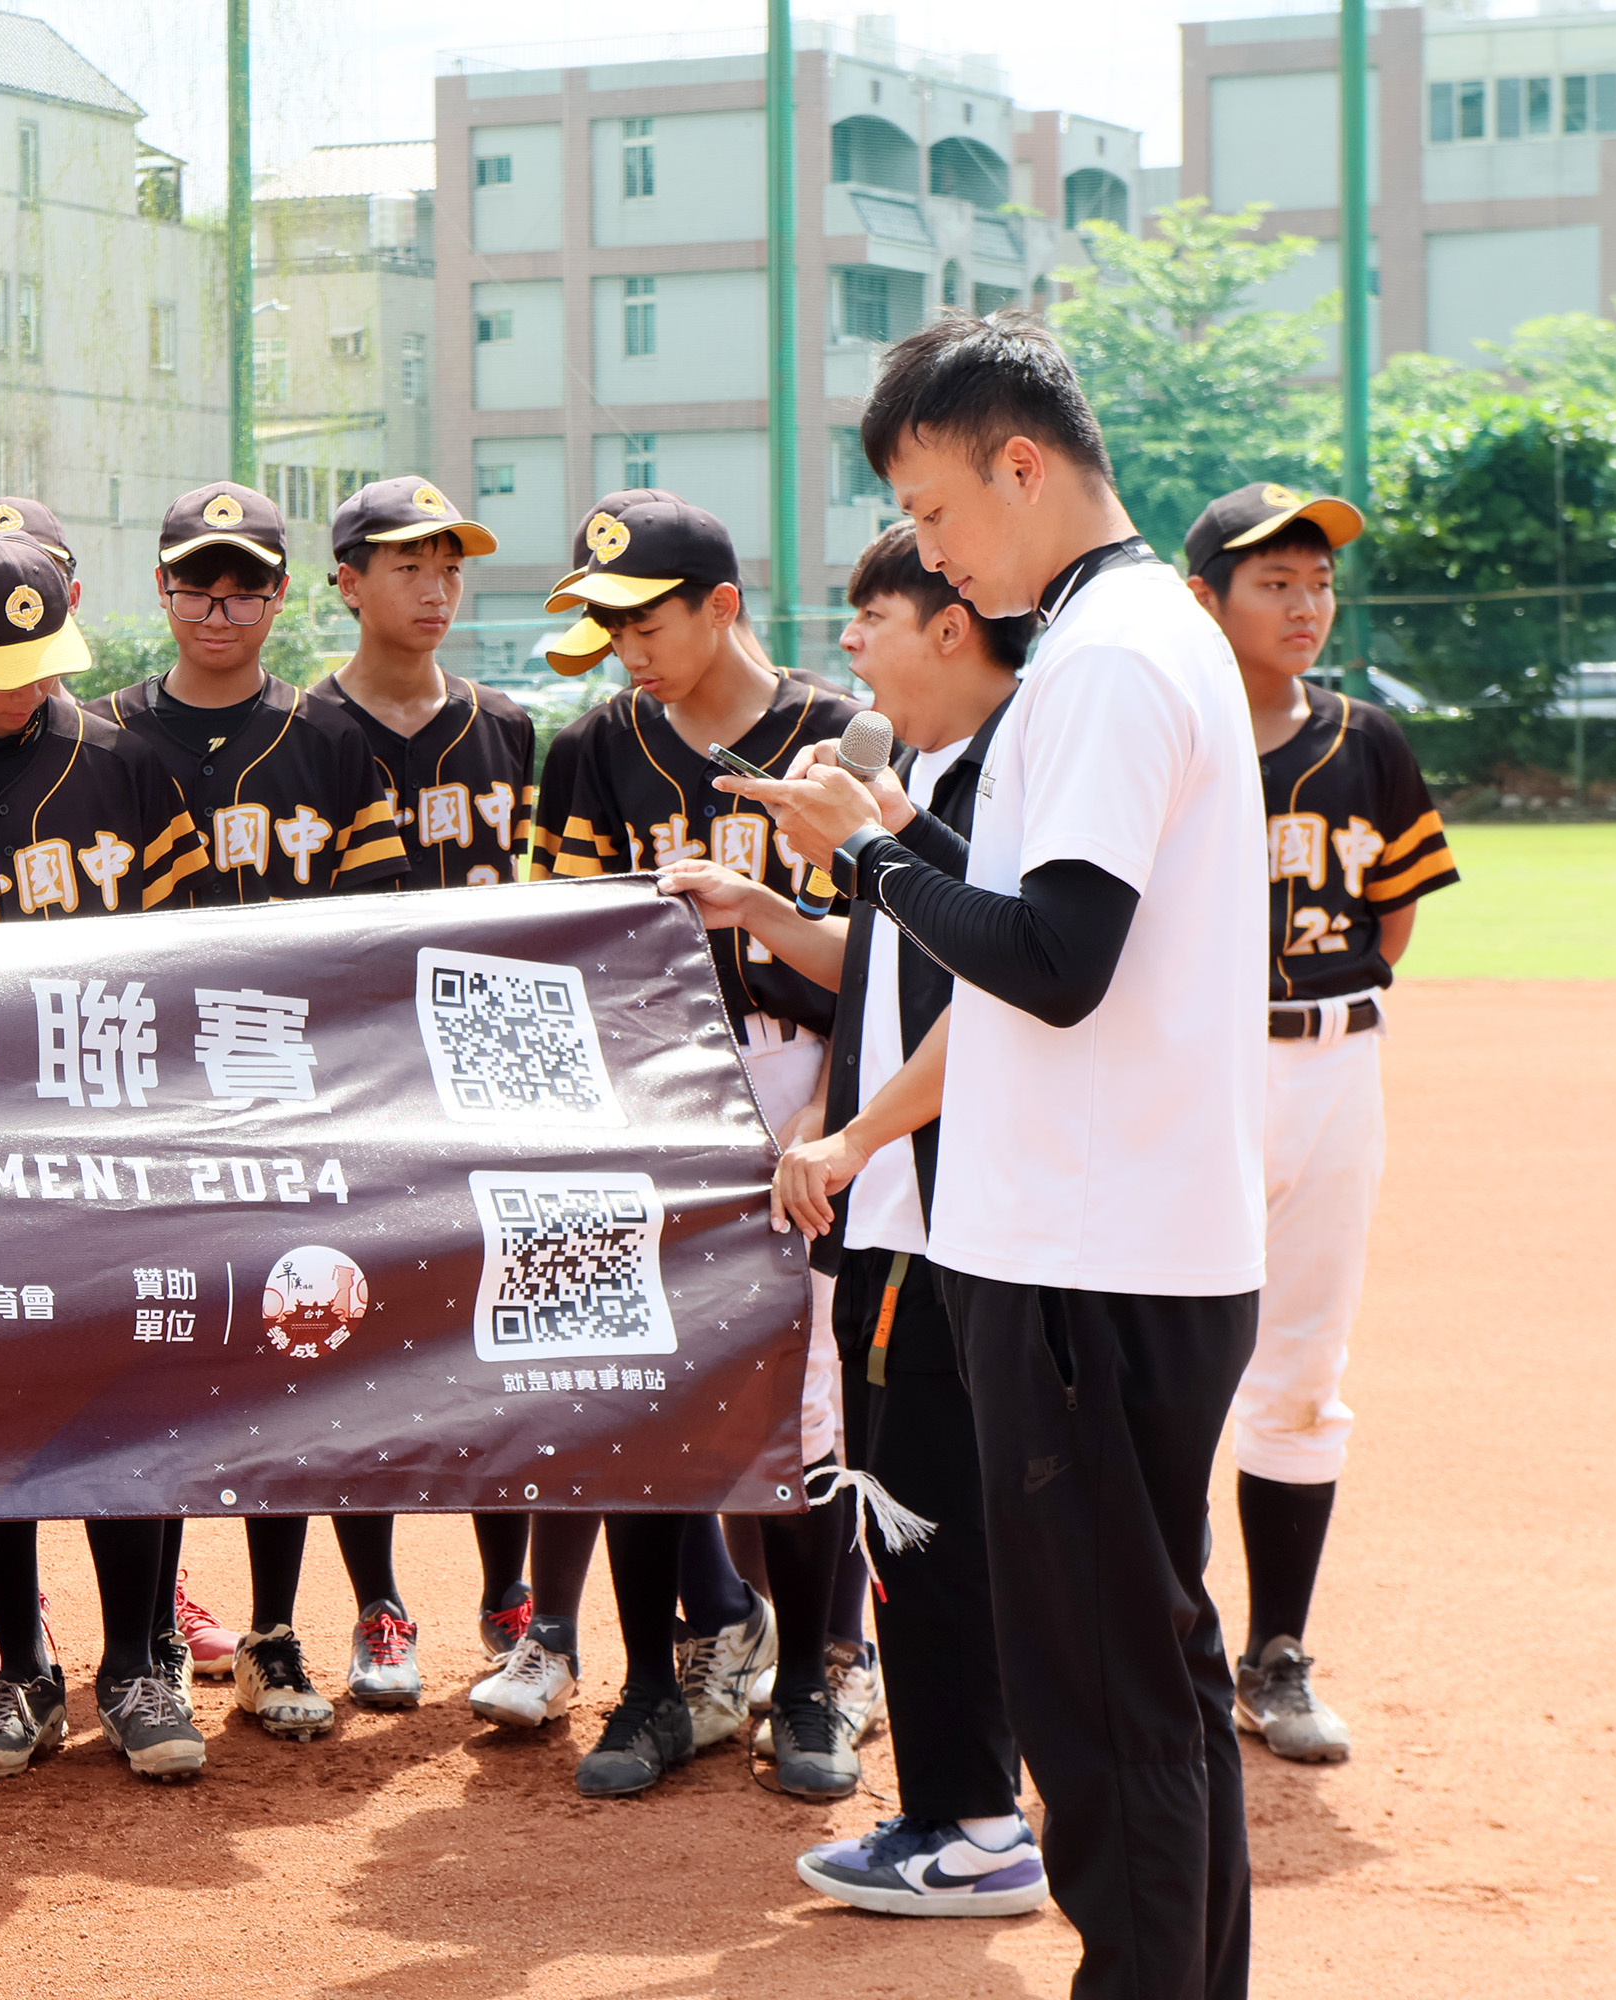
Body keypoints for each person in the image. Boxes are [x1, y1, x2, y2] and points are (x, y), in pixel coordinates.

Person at [730, 312, 1267, 2000]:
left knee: (1104, 1704)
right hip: (1125, 1241)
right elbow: (1060, 913)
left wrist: (874, 856)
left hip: (1088, 1258)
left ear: (1020, 466)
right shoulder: (1136, 635)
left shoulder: (1102, 657)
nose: (933, 552)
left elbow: (1055, 957)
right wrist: (901, 837)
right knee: (1152, 1683)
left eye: (934, 509)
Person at [673, 522, 1049, 1913]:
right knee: (908, 1520)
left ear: (950, 624)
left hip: (945, 1215)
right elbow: (894, 960)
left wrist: (852, 1134)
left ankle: (977, 1822)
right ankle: (950, 1810)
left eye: (868, 616)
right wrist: (763, 908)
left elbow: (998, 1000)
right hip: (900, 1210)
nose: (845, 644)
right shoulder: (935, 775)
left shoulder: (1003, 779)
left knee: (937, 1529)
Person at [0, 521, 212, 1782]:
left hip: (113, 1140)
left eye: (44, 655)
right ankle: (22, 1666)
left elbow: (192, 963)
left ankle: (135, 1660)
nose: (27, 684)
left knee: (132, 1392)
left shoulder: (129, 763)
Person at [528, 493, 866, 1800]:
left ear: (722, 605)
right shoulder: (593, 750)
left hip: (798, 1071)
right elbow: (562, 952)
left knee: (808, 1389)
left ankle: (815, 1683)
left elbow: (882, 954)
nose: (628, 647)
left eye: (647, 619)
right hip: (645, 1092)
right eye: (608, 624)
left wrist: (833, 1116)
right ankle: (656, 1688)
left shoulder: (836, 736)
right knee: (638, 1390)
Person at [85, 480, 410, 1743]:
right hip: (144, 1105)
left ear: (281, 595)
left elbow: (375, 940)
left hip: (291, 1096)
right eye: (195, 586)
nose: (218, 611)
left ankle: (274, 1630)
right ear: (162, 590)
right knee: (156, 1355)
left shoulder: (331, 740)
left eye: (244, 588)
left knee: (291, 1352)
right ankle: (151, 1636)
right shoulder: (106, 737)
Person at [1183, 481, 1457, 1766]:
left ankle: (1275, 1652)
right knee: (1174, 1361)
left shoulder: (1366, 739)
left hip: (1335, 1061)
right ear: (1207, 600)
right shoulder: (1177, 740)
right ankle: (1166, 1645)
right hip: (1197, 1071)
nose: (1306, 604)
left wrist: (1340, 1001)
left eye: (1319, 581)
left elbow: (1394, 911)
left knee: (1301, 1366)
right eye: (1274, 582)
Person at [313, 473, 538, 1709]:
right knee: (358, 1335)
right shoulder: (303, 731)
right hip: (355, 1079)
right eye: (407, 563)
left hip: (490, 1070)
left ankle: (509, 1591)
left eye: (449, 564)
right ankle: (379, 1602)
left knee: (499, 1329)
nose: (436, 586)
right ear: (348, 581)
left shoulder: (509, 726)